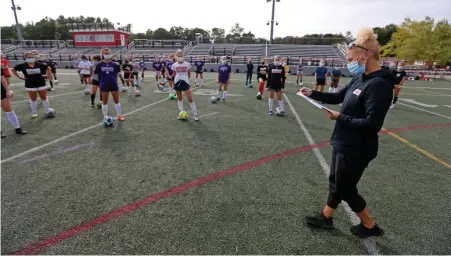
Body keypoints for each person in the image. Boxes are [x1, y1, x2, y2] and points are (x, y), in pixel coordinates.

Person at [300, 27, 395, 238]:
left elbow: (372, 124)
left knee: (346, 188)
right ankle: (326, 216)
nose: (348, 60)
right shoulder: (360, 78)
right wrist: (312, 93)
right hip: (344, 140)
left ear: (366, 55)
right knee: (337, 181)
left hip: (358, 146)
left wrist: (339, 117)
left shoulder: (379, 84)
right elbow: (339, 97)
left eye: (351, 55)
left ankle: (370, 226)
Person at [12, 52, 53, 118]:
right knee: (33, 99)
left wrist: (48, 75)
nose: (31, 59)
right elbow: (13, 69)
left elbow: (48, 68)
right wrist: (19, 76)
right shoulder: (23, 65)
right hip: (30, 85)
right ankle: (34, 112)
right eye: (29, 57)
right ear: (25, 58)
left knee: (44, 98)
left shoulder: (39, 64)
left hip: (41, 83)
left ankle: (47, 110)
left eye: (32, 57)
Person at [94, 47, 124, 122]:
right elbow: (96, 76)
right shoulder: (99, 64)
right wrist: (98, 84)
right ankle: (105, 116)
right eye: (105, 53)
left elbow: (117, 75)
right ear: (102, 54)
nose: (107, 55)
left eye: (108, 53)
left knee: (116, 100)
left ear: (110, 54)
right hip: (104, 84)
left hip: (113, 84)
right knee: (104, 101)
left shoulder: (114, 64)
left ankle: (119, 115)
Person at [171, 49, 199, 121]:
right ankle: (181, 113)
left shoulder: (187, 64)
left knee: (190, 99)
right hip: (177, 82)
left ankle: (195, 115)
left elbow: (189, 74)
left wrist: (186, 80)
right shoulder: (174, 65)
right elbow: (175, 74)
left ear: (183, 56)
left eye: (181, 55)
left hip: (185, 82)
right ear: (176, 56)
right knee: (179, 99)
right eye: (178, 56)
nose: (180, 57)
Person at [1, 68, 27, 138]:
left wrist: (7, 91)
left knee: (9, 111)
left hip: (2, 92)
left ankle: (17, 128)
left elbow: (3, 80)